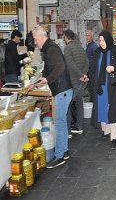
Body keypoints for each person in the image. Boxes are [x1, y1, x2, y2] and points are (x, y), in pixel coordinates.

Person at [31, 25, 73, 169]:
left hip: (63, 90)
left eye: (36, 39)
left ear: (41, 37)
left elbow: (60, 67)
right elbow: (50, 68)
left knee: (60, 123)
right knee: (61, 122)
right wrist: (42, 79)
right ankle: (64, 151)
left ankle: (59, 155)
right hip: (63, 90)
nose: (35, 43)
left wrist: (47, 80)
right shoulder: (49, 48)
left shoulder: (51, 49)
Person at [89, 31, 116, 149]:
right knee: (102, 108)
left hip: (112, 87)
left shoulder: (115, 50)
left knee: (113, 110)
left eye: (103, 40)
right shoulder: (97, 52)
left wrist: (113, 68)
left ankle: (115, 137)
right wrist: (91, 79)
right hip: (100, 86)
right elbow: (93, 67)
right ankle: (106, 131)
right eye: (100, 40)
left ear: (108, 40)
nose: (101, 43)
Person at [63, 29, 89, 137]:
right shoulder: (80, 47)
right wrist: (84, 75)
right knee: (79, 103)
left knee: (67, 105)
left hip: (74, 81)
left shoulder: (67, 48)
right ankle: (79, 127)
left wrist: (80, 75)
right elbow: (87, 62)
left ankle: (68, 131)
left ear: (65, 37)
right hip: (82, 80)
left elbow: (70, 64)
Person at [85, 30, 98, 101]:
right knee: (90, 89)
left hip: (92, 71)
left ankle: (94, 104)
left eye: (89, 35)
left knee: (93, 89)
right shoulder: (88, 46)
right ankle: (92, 103)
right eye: (86, 35)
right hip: (89, 71)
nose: (87, 37)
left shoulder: (94, 46)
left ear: (92, 36)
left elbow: (96, 60)